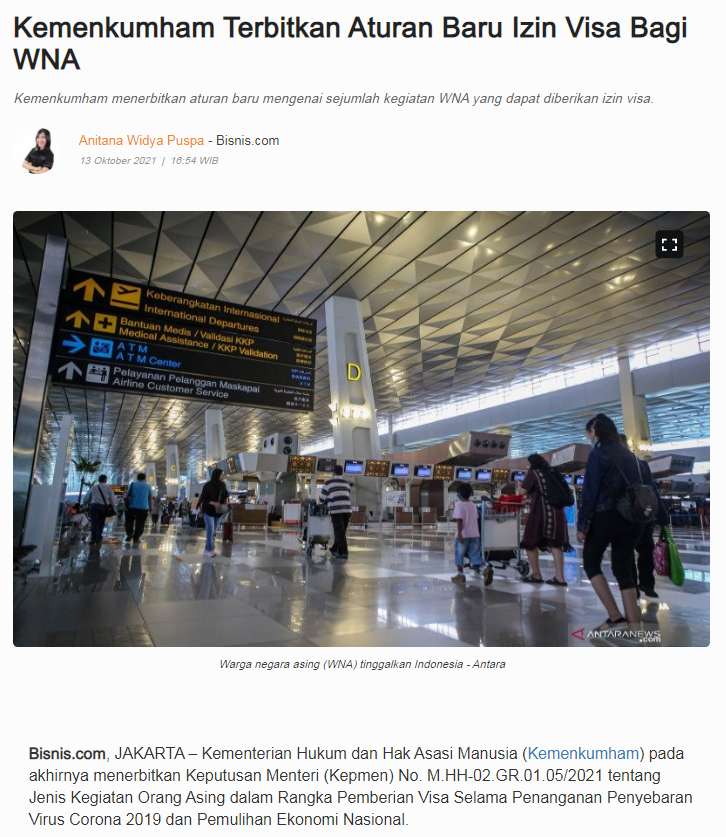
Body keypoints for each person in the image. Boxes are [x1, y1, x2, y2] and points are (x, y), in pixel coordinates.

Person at [577, 414, 644, 629]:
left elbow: (590, 492)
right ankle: (634, 625)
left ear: (595, 432)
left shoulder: (598, 455)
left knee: (590, 561)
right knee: (623, 568)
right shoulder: (630, 455)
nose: (589, 437)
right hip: (633, 518)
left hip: (607, 515)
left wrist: (582, 524)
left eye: (589, 433)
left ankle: (615, 617)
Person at [618, 435, 668, 599]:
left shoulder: (613, 465)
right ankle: (647, 582)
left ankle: (633, 587)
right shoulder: (641, 464)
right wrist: (663, 517)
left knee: (627, 554)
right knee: (646, 550)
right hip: (643, 515)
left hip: (624, 516)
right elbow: (652, 491)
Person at [518, 454, 571, 586]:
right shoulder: (551, 472)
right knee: (555, 544)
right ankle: (560, 577)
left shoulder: (533, 472)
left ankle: (536, 575)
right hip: (558, 512)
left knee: (529, 542)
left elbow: (522, 492)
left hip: (541, 512)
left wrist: (519, 485)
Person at [451, 482, 493, 585]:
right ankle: (485, 569)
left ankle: (460, 575)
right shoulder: (473, 506)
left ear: (459, 494)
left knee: (459, 554)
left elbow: (459, 520)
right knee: (474, 554)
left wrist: (459, 534)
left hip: (463, 535)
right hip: (474, 535)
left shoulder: (460, 506)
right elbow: (477, 519)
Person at [319, 465, 352, 559]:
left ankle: (343, 553)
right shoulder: (346, 483)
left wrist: (327, 499)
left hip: (336, 510)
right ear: (342, 473)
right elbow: (346, 495)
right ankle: (334, 549)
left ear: (333, 473)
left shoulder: (328, 483)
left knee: (339, 532)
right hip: (347, 510)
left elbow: (321, 499)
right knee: (341, 532)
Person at [199, 469, 228, 557]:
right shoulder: (208, 485)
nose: (222, 476)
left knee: (213, 531)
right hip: (208, 510)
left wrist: (226, 503)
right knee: (210, 529)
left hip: (218, 511)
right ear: (216, 475)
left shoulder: (223, 485)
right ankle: (210, 549)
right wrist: (213, 503)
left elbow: (226, 495)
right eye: (221, 474)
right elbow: (204, 499)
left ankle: (206, 549)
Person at [83, 474, 116, 546]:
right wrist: (114, 508)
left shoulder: (94, 487)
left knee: (94, 523)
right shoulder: (109, 488)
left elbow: (87, 497)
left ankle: (93, 538)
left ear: (99, 480)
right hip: (104, 507)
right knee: (101, 522)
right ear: (105, 480)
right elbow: (112, 499)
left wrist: (84, 504)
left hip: (94, 506)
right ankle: (99, 536)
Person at [124, 473, 153, 544]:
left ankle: (129, 534)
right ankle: (136, 538)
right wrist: (150, 507)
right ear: (144, 478)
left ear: (137, 478)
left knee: (129, 521)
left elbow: (127, 495)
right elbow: (150, 498)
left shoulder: (132, 485)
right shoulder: (148, 486)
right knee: (140, 523)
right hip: (143, 508)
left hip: (132, 507)